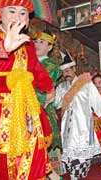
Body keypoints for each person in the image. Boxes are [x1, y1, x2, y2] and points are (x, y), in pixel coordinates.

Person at [0, 0, 55, 179]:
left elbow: (36, 69)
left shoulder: (28, 43)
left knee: (30, 153)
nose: (18, 17)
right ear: (0, 12)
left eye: (23, 13)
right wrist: (2, 48)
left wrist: (49, 87)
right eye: (12, 11)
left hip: (26, 106)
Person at [55, 52, 101, 180]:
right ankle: (74, 176)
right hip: (67, 127)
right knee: (69, 156)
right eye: (63, 71)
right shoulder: (61, 87)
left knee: (81, 157)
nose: (66, 73)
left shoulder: (85, 84)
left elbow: (98, 103)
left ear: (74, 69)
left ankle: (77, 176)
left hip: (83, 126)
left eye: (68, 70)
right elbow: (56, 105)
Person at [34, 31, 63, 179]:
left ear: (50, 47)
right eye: (36, 41)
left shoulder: (51, 65)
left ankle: (52, 175)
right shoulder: (27, 62)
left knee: (42, 144)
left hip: (41, 109)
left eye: (41, 42)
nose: (36, 44)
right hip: (26, 105)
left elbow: (42, 88)